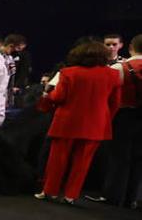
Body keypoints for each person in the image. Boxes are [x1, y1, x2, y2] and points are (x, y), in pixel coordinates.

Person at [36, 41, 122, 204]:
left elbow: (59, 97)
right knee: (83, 162)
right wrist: (104, 118)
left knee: (58, 158)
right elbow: (115, 103)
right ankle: (71, 196)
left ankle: (50, 191)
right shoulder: (113, 75)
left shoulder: (68, 72)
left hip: (67, 121)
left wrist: (49, 94)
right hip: (95, 124)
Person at [101, 34, 142, 207]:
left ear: (130, 47)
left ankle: (113, 196)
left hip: (124, 115)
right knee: (139, 158)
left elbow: (106, 95)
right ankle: (133, 198)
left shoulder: (119, 67)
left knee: (119, 157)